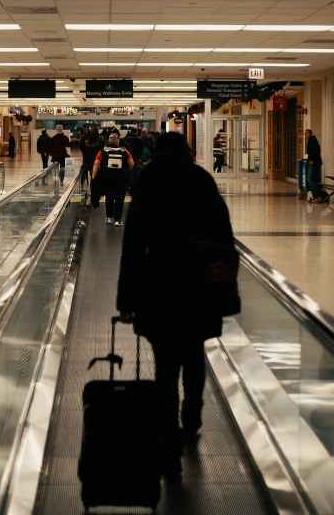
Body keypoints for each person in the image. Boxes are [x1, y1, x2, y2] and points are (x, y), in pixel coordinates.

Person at [117, 132, 240, 481]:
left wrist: (126, 298)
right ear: (187, 150)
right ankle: (193, 418)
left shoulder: (149, 179)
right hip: (199, 284)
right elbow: (224, 236)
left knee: (166, 365)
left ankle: (168, 433)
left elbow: (133, 243)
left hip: (159, 285)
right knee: (194, 352)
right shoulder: (201, 179)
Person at [92, 133, 134, 226]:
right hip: (121, 179)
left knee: (109, 198)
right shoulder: (124, 150)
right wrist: (127, 171)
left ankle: (109, 218)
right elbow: (131, 163)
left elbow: (96, 163)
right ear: (118, 140)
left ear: (109, 140)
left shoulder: (103, 150)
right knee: (120, 199)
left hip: (107, 178)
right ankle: (117, 220)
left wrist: (93, 177)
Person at [303, 129, 328, 203]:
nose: (305, 135)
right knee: (314, 180)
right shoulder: (311, 140)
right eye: (305, 134)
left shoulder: (312, 140)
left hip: (314, 163)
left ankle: (318, 196)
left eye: (307, 133)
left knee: (311, 179)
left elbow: (316, 151)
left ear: (310, 134)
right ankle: (317, 196)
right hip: (315, 162)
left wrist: (312, 160)